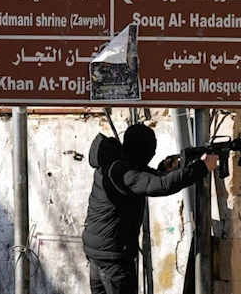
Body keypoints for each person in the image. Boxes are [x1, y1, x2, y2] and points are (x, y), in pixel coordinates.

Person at [82, 123, 218, 294]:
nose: (151, 155)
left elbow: (142, 178)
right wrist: (202, 167)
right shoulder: (120, 171)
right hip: (113, 260)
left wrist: (162, 169)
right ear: (141, 150)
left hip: (99, 254)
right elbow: (159, 185)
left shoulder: (114, 164)